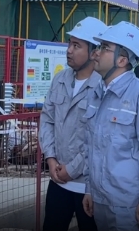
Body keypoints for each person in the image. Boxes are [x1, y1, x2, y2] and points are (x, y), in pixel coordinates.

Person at [81, 21, 139, 230]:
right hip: (99, 199)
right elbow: (91, 146)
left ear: (122, 59)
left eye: (104, 48)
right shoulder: (97, 93)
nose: (96, 53)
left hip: (128, 205)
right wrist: (89, 189)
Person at [39, 16, 107, 230]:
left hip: (89, 187)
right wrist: (50, 159)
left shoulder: (103, 88)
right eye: (69, 43)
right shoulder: (60, 80)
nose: (69, 50)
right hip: (58, 181)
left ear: (95, 51)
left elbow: (100, 139)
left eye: (77, 46)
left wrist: (73, 168)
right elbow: (47, 120)